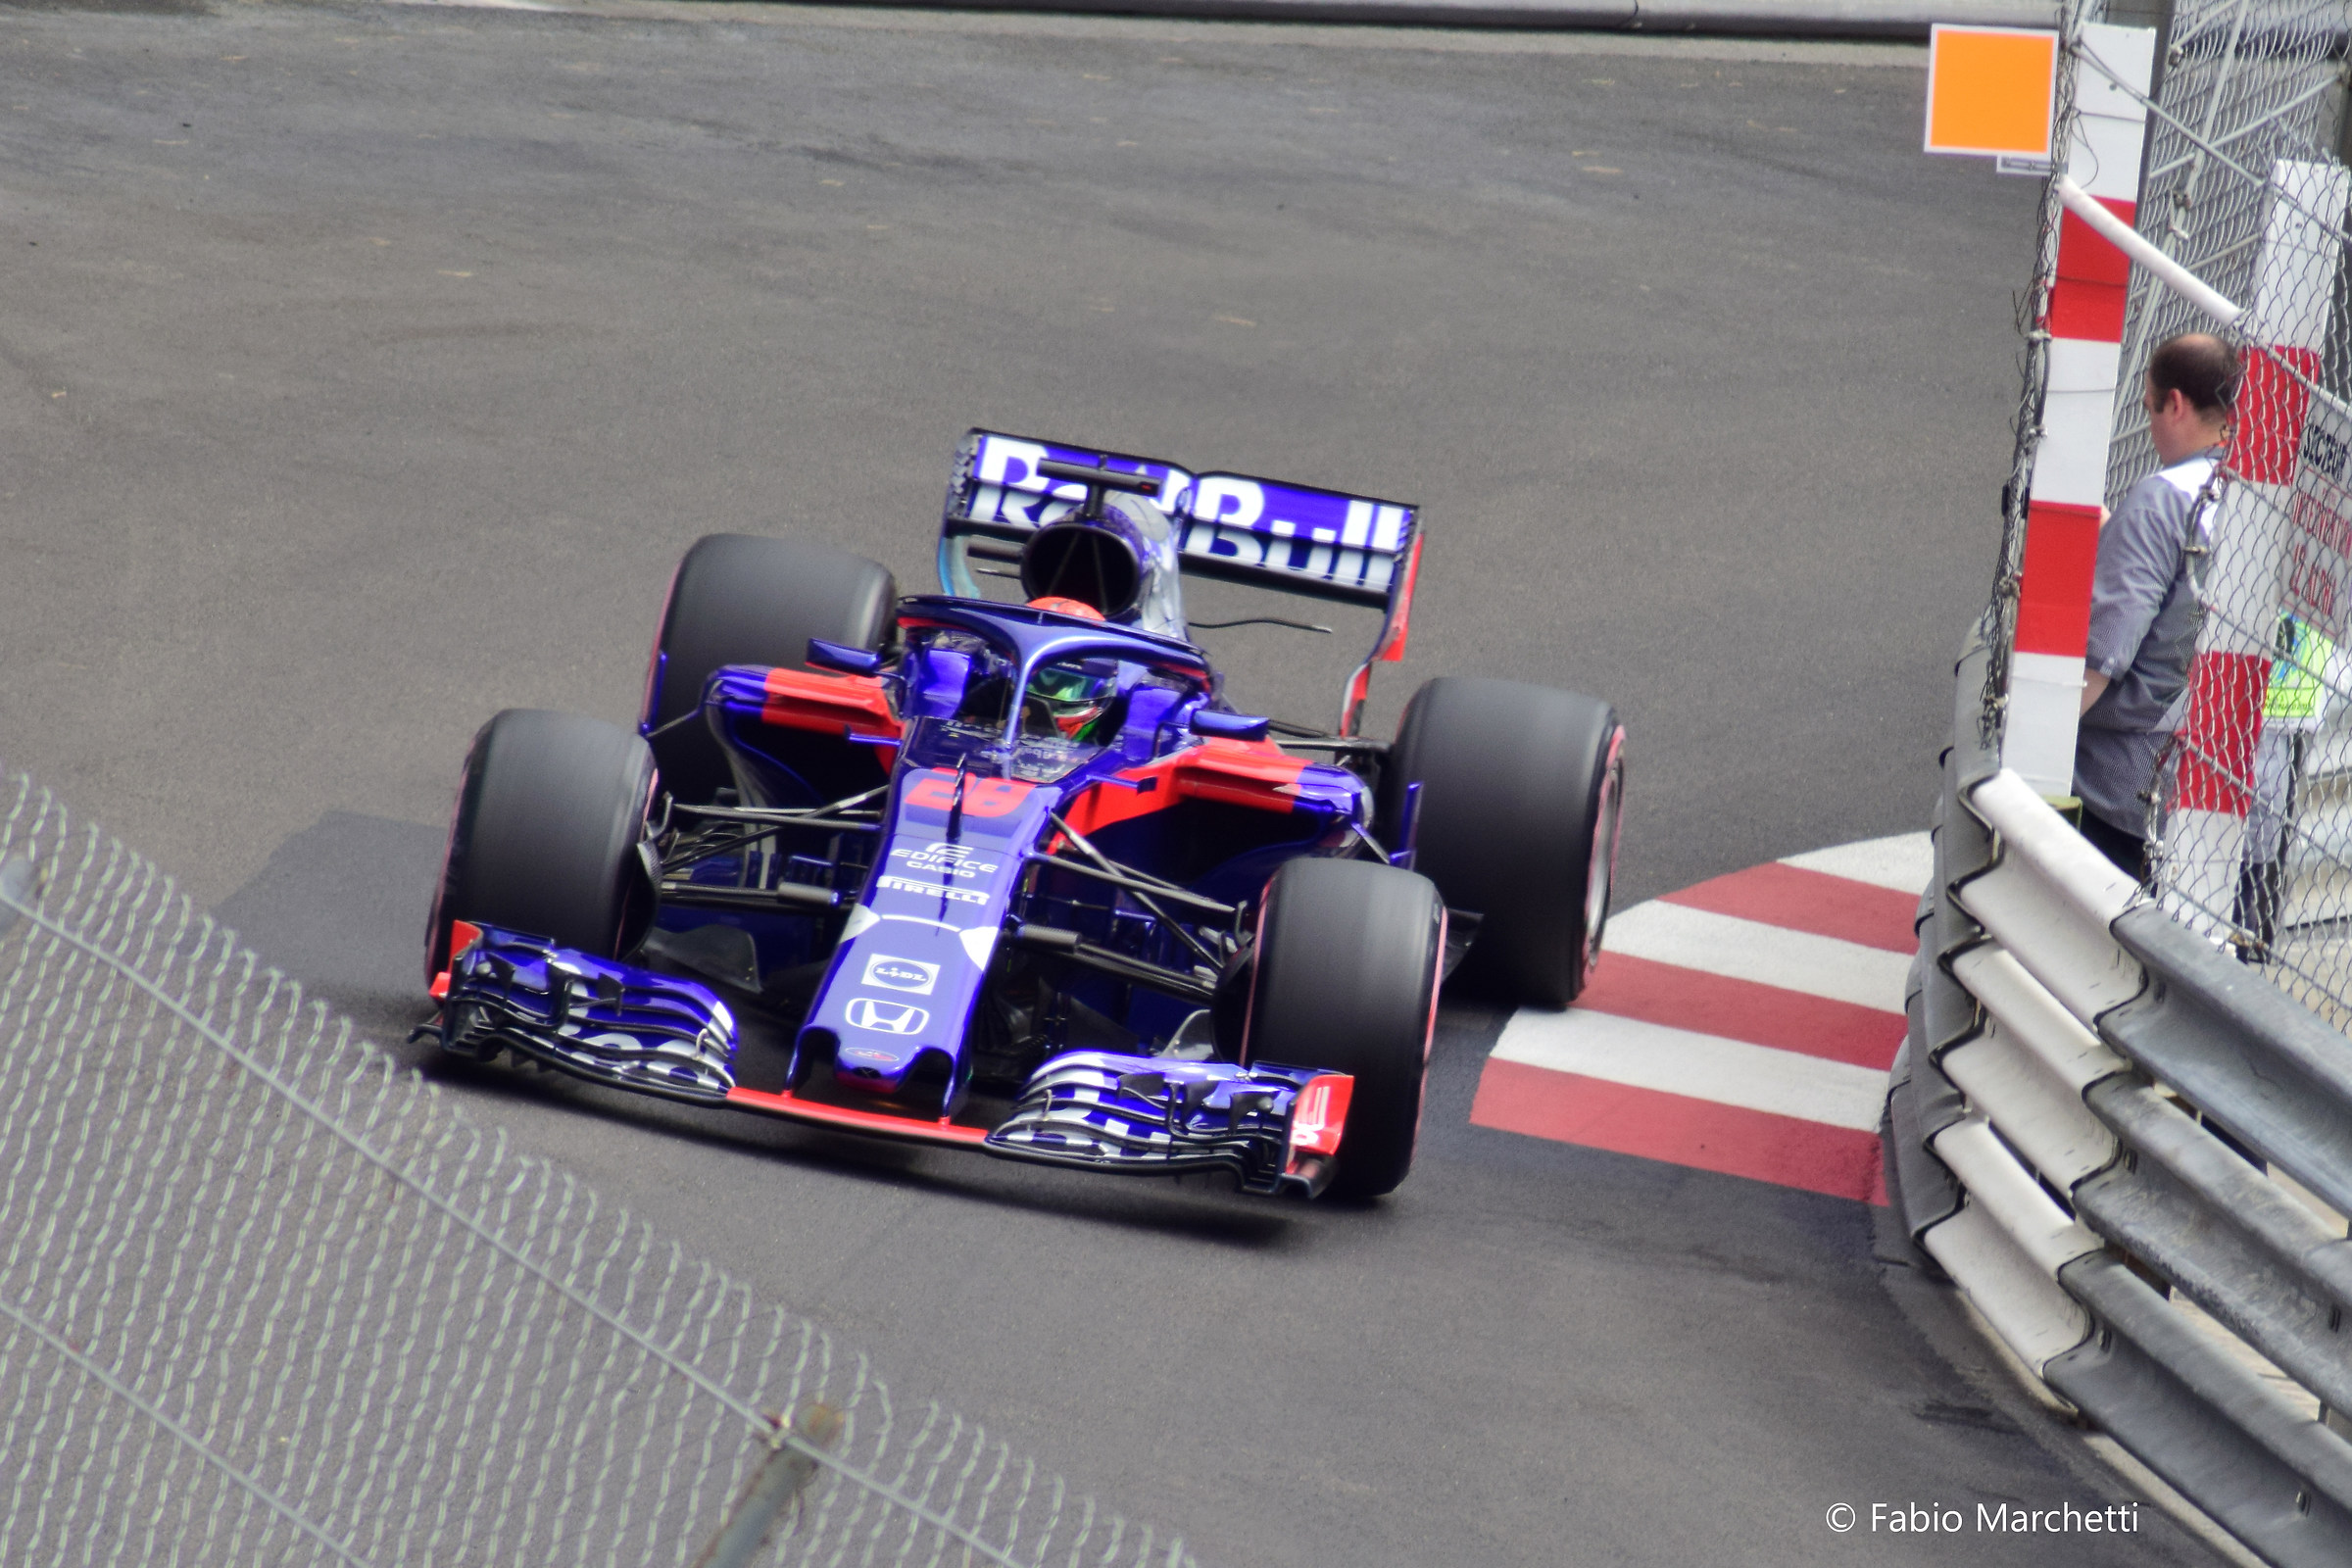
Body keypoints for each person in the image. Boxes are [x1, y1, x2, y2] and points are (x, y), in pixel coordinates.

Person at [2073, 332, 2241, 882]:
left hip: (2120, 790)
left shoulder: (2161, 500)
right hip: (2225, 792)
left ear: (2175, 403)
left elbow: (2102, 658)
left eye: (2149, 407)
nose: (2149, 426)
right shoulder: (2258, 499)